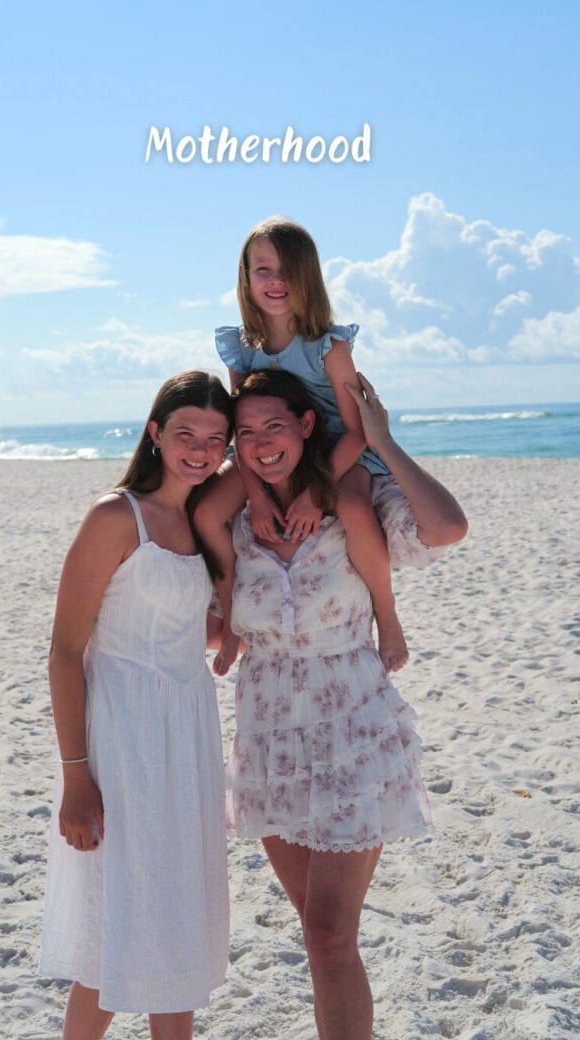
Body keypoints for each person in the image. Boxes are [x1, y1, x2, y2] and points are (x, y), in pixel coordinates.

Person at [210, 368, 467, 1040]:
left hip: (352, 728)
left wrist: (382, 436)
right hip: (268, 739)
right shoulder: (232, 522)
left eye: (275, 425)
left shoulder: (355, 498)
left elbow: (446, 528)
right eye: (246, 432)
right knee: (323, 937)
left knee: (327, 935)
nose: (262, 442)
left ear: (304, 427)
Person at [39, 371, 233, 1040]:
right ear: (155, 433)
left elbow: (185, 631)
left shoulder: (203, 521)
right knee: (112, 932)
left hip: (187, 743)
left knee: (174, 928)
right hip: (122, 743)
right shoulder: (114, 516)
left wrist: (234, 626)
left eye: (215, 437)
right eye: (185, 433)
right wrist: (76, 776)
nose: (200, 449)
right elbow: (65, 651)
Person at [196, 216, 410, 678]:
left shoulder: (327, 345)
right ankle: (230, 617)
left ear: (308, 277)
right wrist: (255, 495)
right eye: (263, 270)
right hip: (271, 449)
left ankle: (387, 616)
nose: (276, 281)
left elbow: (356, 432)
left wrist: (316, 492)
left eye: (288, 270)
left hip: (338, 452)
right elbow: (241, 428)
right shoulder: (242, 347)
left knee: (352, 505)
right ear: (246, 278)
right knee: (208, 512)